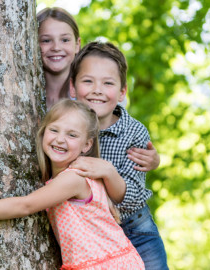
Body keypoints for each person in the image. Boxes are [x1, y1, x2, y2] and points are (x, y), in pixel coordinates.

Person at [0, 99, 144, 270]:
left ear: (87, 145)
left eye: (71, 135)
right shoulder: (67, 177)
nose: (60, 139)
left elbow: (25, 205)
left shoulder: (74, 178)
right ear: (43, 131)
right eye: (54, 130)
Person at [68, 42, 169, 269]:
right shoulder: (66, 129)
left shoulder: (134, 132)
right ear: (73, 87)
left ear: (122, 92)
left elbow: (132, 197)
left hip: (136, 231)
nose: (97, 89)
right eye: (88, 81)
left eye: (108, 83)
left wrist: (107, 171)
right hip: (91, 234)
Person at [37, 7, 160, 172]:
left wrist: (153, 160)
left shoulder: (88, 94)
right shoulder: (23, 91)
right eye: (46, 40)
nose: (56, 47)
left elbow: (118, 130)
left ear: (77, 44)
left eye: (65, 40)